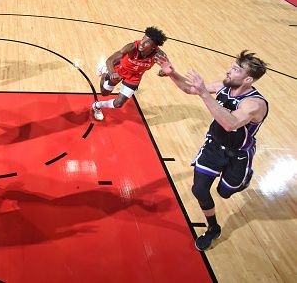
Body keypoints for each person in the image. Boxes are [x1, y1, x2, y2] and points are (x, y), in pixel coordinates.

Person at [157, 51, 268, 251]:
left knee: (224, 193)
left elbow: (230, 123)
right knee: (199, 189)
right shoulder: (225, 86)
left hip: (238, 155)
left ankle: (244, 178)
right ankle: (213, 228)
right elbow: (191, 89)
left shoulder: (254, 104)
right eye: (232, 66)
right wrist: (172, 73)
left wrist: (205, 94)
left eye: (235, 69)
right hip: (214, 147)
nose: (229, 70)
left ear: (248, 78)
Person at [91, 26, 167, 120]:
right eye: (143, 38)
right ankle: (103, 71)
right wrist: (112, 72)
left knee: (118, 104)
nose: (142, 43)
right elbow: (110, 60)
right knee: (104, 93)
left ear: (154, 47)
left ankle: (97, 106)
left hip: (134, 77)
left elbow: (168, 68)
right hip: (120, 70)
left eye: (147, 42)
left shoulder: (159, 55)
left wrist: (164, 72)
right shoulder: (132, 47)